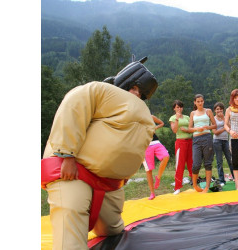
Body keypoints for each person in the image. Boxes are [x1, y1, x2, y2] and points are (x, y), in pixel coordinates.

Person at [41, 57, 158, 249]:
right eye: (135, 88)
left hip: (110, 182)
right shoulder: (100, 90)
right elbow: (73, 108)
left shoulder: (142, 112)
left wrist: (125, 173)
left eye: (142, 93)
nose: (137, 95)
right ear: (128, 81)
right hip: (75, 171)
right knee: (70, 226)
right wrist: (67, 155)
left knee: (112, 230)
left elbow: (136, 144)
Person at [188, 94, 217, 193]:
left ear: (203, 101)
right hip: (196, 140)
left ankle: (207, 187)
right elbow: (189, 128)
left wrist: (207, 127)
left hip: (207, 138)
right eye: (198, 101)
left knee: (208, 163)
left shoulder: (208, 111)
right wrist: (196, 129)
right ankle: (195, 185)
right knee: (196, 164)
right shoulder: (192, 113)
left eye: (201, 101)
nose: (200, 103)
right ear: (195, 102)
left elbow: (214, 125)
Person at [169, 100, 194, 195]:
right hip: (180, 142)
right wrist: (177, 119)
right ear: (174, 108)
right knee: (180, 164)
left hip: (190, 141)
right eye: (177, 107)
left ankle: (194, 183)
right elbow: (175, 130)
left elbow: (191, 129)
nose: (179, 109)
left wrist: (187, 130)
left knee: (191, 163)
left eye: (180, 107)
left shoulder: (187, 117)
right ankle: (177, 187)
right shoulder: (172, 118)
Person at [144, 115, 171, 200]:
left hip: (155, 142)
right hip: (145, 145)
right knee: (149, 170)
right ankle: (152, 193)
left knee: (166, 156)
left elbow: (162, 123)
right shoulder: (135, 120)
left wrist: (155, 128)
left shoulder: (150, 116)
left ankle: (158, 177)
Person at [212, 102, 234, 184]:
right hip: (217, 141)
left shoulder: (225, 118)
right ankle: (221, 180)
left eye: (221, 109)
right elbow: (215, 132)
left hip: (225, 141)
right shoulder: (213, 119)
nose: (219, 110)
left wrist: (224, 118)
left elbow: (230, 127)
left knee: (230, 159)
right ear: (215, 110)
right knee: (219, 161)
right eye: (217, 109)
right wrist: (224, 129)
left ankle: (235, 177)